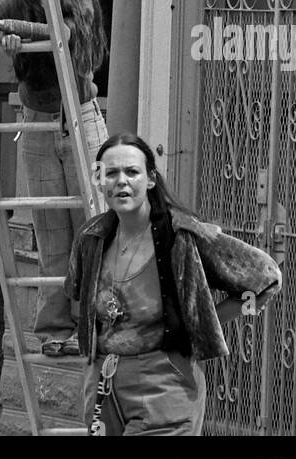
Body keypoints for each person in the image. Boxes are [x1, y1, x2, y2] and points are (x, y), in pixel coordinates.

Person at [66, 133, 282, 436]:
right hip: (103, 387)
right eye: (111, 173)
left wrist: (205, 322)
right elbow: (77, 298)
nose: (121, 181)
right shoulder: (91, 237)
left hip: (163, 385)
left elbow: (266, 279)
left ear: (151, 179)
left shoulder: (183, 235)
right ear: (99, 180)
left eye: (132, 172)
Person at [0, 0, 108, 356]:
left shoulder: (82, 2)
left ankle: (96, 321)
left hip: (78, 119)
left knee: (92, 223)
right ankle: (54, 329)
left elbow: (61, 33)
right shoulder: (20, 0)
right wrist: (0, 35)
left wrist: (8, 27)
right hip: (36, 121)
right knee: (50, 228)